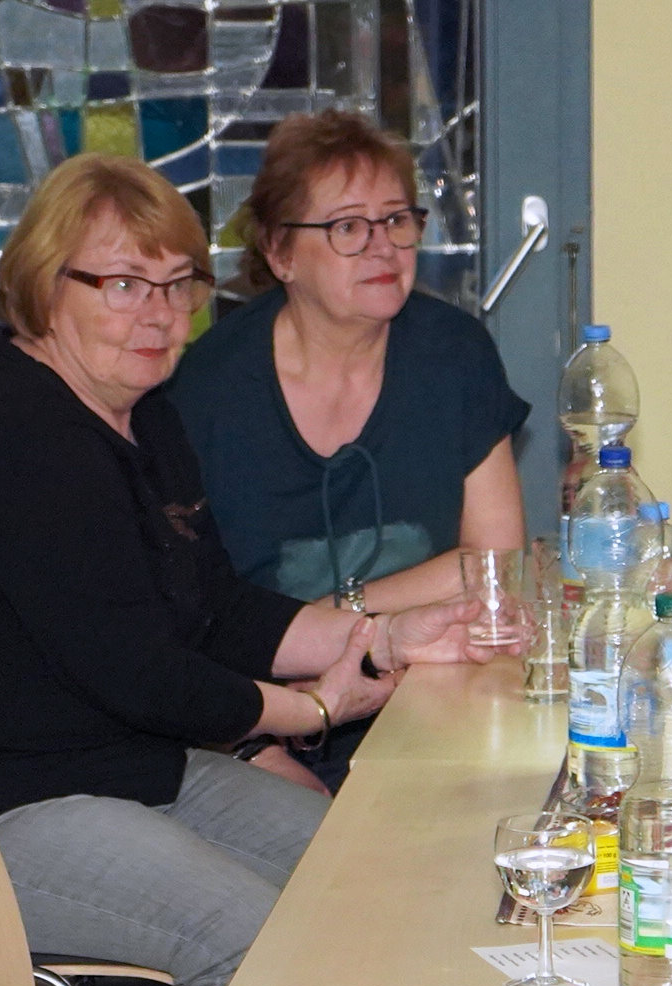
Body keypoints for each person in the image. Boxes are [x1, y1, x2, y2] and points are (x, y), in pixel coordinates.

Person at [0, 153, 492, 986]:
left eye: (180, 285)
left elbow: (215, 608)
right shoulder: (12, 438)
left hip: (95, 763)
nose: (162, 315)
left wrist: (373, 641)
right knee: (253, 937)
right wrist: (314, 709)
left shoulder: (142, 419)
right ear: (44, 286)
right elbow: (143, 676)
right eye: (125, 284)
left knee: (367, 876)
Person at [170, 109, 529, 787]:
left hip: (432, 689)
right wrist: (261, 747)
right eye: (347, 227)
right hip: (259, 732)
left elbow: (493, 566)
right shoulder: (207, 392)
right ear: (279, 252)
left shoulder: (455, 354)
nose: (382, 247)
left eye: (397, 220)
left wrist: (340, 616)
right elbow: (197, 622)